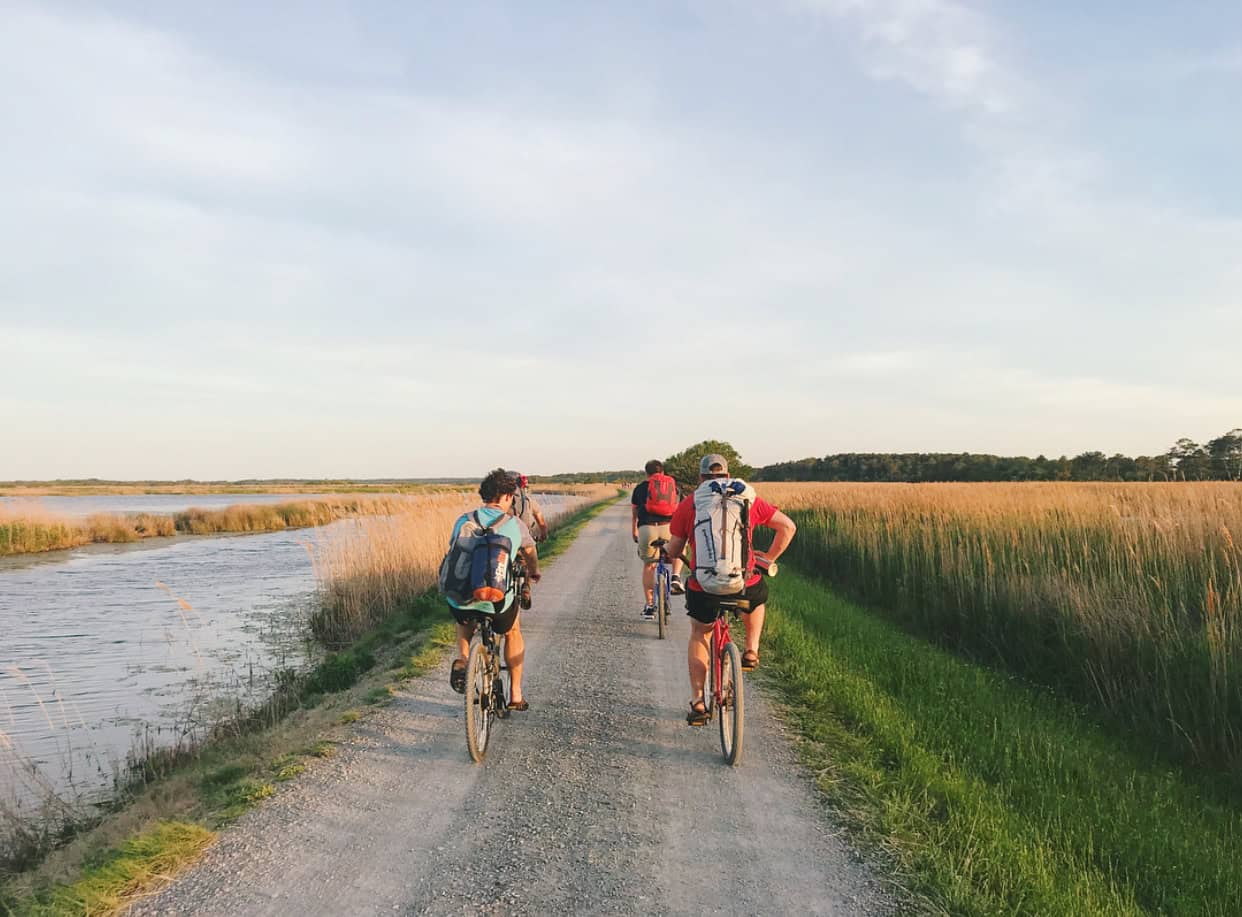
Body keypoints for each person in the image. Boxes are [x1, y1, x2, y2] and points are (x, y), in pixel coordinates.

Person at [661, 453, 796, 725]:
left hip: (704, 588)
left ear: (701, 478)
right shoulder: (747, 498)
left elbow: (675, 549)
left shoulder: (691, 503)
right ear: (728, 474)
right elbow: (788, 527)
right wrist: (768, 559)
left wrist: (664, 554)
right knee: (757, 599)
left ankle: (698, 702)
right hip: (742, 584)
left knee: (700, 632)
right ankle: (751, 650)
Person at [444, 468, 541, 711]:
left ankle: (464, 658)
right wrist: (534, 571)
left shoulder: (463, 520)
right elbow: (530, 553)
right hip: (498, 603)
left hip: (460, 599)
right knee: (512, 631)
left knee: (464, 614)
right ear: (508, 497)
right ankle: (516, 694)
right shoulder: (514, 523)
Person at [631, 459, 684, 619]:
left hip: (647, 529)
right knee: (679, 551)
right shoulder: (673, 486)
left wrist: (634, 530)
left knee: (649, 565)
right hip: (669, 527)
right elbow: (680, 510)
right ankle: (675, 577)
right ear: (662, 472)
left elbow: (634, 513)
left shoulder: (640, 488)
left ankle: (650, 606)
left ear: (646, 473)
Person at [507, 472, 549, 542]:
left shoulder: (499, 502)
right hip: (524, 541)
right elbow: (541, 523)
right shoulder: (528, 501)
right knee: (531, 552)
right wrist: (543, 536)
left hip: (501, 543)